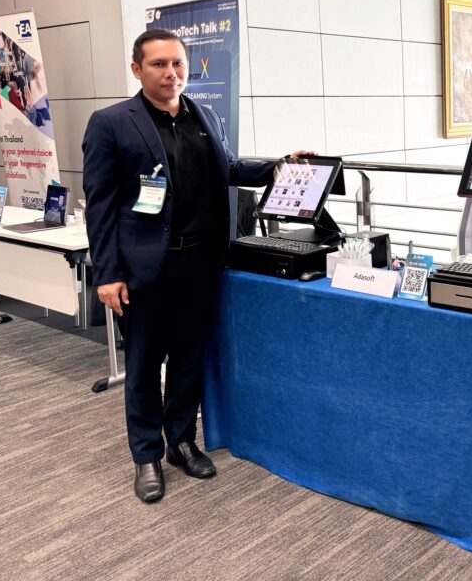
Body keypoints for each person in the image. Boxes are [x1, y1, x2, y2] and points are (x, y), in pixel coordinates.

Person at [82, 28, 312, 504]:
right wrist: (107, 273)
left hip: (200, 262)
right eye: (159, 64)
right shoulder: (110, 123)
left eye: (178, 64)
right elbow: (100, 206)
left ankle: (181, 441)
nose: (171, 73)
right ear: (137, 69)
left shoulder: (204, 115)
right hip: (144, 269)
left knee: (189, 358)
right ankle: (146, 454)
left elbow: (229, 169)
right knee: (144, 365)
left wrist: (277, 166)